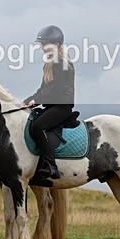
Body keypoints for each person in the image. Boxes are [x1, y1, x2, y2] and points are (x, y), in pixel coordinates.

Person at [24, 25, 75, 179]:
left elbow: (56, 90)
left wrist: (37, 100)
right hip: (51, 105)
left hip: (62, 106)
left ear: (58, 44)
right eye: (42, 44)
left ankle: (51, 166)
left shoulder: (63, 63)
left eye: (46, 44)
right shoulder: (49, 64)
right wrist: (26, 101)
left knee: (38, 126)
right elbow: (43, 89)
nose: (43, 47)